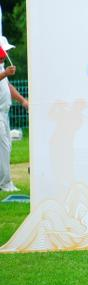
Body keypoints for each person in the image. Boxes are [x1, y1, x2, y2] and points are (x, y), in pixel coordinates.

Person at [1, 64, 28, 193]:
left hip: (4, 113)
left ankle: (4, 182)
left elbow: (8, 86)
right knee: (3, 147)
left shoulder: (1, 67)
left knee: (7, 147)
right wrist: (5, 73)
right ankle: (5, 183)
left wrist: (23, 100)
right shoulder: (3, 70)